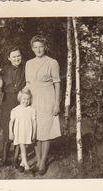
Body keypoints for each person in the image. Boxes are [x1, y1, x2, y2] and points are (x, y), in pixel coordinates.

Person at [25, 35, 61, 175]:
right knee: (35, 131)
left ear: (45, 47)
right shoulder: (29, 63)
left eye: (41, 46)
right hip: (33, 99)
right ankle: (39, 159)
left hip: (47, 98)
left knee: (45, 131)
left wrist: (57, 104)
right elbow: (28, 84)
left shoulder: (52, 62)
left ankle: (42, 162)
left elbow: (57, 84)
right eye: (35, 47)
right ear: (32, 48)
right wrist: (23, 97)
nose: (38, 50)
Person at [0, 46, 26, 167]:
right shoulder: (3, 70)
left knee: (19, 128)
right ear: (9, 58)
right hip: (7, 100)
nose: (17, 58)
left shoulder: (26, 67)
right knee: (7, 128)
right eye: (14, 56)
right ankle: (4, 159)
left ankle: (16, 159)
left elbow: (30, 82)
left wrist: (24, 90)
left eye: (18, 56)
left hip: (21, 99)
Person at [9, 88, 36, 172]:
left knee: (26, 147)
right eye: (24, 99)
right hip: (19, 132)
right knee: (23, 147)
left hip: (28, 132)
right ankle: (27, 166)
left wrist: (34, 133)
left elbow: (34, 122)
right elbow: (11, 122)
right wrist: (11, 132)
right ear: (20, 98)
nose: (26, 101)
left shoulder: (32, 110)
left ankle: (22, 164)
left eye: (28, 99)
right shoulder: (15, 109)